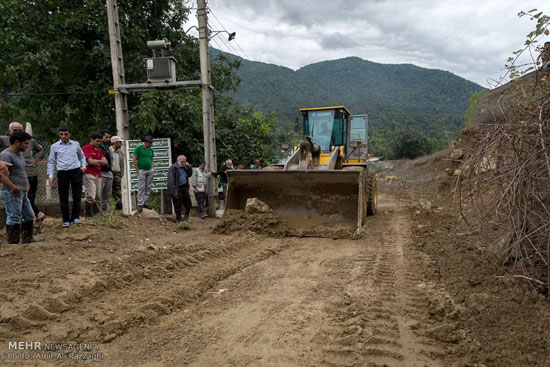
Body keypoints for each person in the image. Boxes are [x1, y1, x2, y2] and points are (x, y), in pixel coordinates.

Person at [0, 131, 44, 243]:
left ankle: (27, 237)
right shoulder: (6, 155)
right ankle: (13, 241)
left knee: (29, 214)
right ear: (17, 142)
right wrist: (13, 187)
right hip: (12, 192)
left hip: (21, 191)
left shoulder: (19, 154)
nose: (28, 146)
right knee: (14, 216)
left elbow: (21, 171)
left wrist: (26, 184)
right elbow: (1, 175)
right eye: (25, 143)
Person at [47, 126, 87, 228]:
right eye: (61, 134)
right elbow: (51, 161)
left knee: (77, 194)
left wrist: (83, 166)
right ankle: (66, 219)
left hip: (75, 171)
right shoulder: (54, 146)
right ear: (59, 135)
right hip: (62, 172)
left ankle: (75, 217)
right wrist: (50, 175)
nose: (64, 136)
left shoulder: (76, 144)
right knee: (63, 196)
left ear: (70, 134)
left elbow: (82, 156)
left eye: (66, 134)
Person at [82, 132, 107, 217]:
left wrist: (95, 162)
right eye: (97, 141)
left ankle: (96, 213)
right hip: (89, 173)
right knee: (91, 195)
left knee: (98, 195)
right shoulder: (86, 148)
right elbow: (90, 162)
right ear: (91, 140)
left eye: (100, 141)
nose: (99, 143)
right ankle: (88, 214)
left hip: (98, 174)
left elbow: (105, 162)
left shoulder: (99, 150)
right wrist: (99, 162)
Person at [167, 155, 193, 223]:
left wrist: (189, 167)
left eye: (185, 161)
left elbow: (189, 174)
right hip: (177, 188)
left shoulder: (184, 167)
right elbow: (170, 180)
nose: (183, 163)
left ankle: (186, 217)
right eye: (182, 161)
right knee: (177, 204)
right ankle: (178, 219)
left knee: (188, 203)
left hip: (184, 187)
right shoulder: (173, 168)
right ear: (178, 160)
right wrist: (173, 191)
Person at [133, 135, 155, 212]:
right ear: (145, 142)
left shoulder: (151, 150)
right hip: (141, 170)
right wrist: (137, 170)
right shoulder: (138, 148)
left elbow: (152, 159)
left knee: (148, 187)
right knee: (141, 187)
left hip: (150, 170)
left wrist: (153, 168)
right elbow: (134, 159)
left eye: (151, 143)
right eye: (149, 143)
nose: (150, 144)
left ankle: (146, 203)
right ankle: (140, 204)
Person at [99, 129, 113, 211]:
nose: (108, 139)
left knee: (107, 195)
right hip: (100, 172)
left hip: (108, 171)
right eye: (106, 137)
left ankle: (104, 212)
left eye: (109, 137)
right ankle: (98, 212)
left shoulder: (107, 148)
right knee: (100, 193)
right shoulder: (97, 148)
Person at [109, 136, 125, 210]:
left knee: (118, 191)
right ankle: (109, 208)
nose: (121, 144)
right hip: (109, 172)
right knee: (108, 190)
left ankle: (118, 207)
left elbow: (122, 164)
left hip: (117, 173)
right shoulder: (108, 151)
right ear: (115, 142)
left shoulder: (121, 153)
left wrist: (122, 173)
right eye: (119, 142)